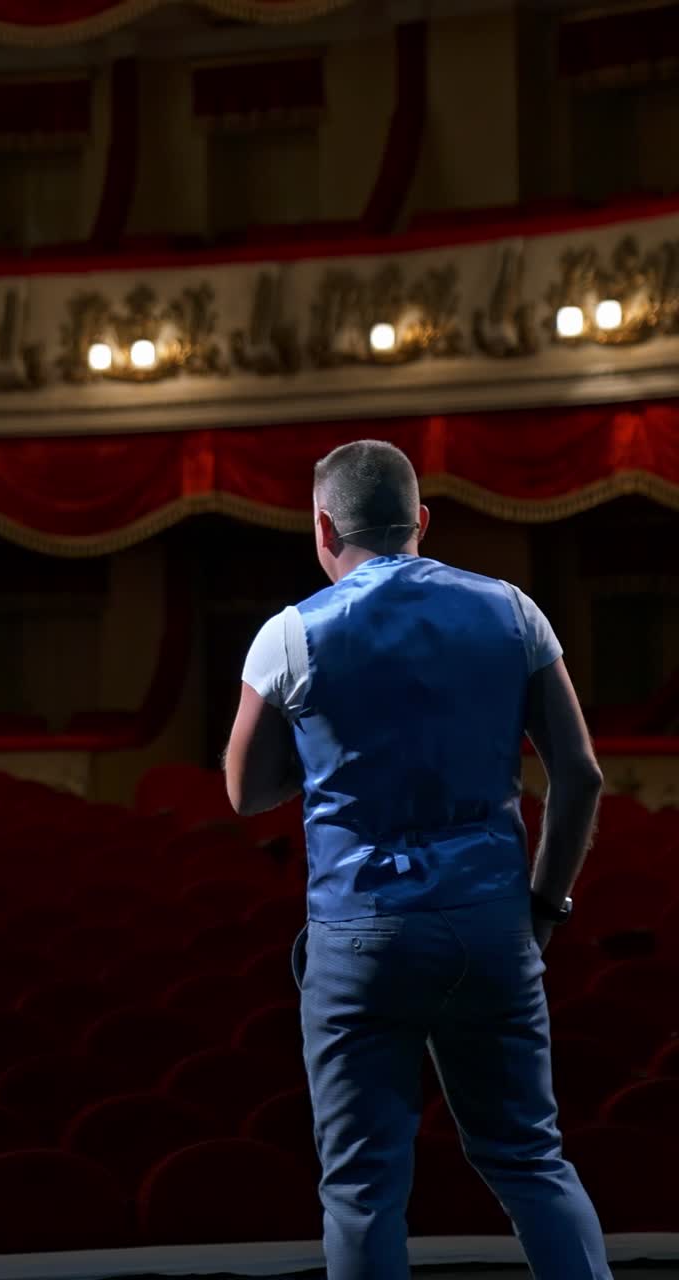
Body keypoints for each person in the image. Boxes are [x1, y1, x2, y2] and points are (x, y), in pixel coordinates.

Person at [222, 439, 610, 1280]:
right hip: (491, 926)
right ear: (421, 522)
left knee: (363, 1189)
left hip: (359, 934)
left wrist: (329, 749)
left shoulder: (289, 634)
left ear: (323, 526)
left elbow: (244, 791)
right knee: (532, 1161)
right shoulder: (514, 612)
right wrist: (544, 907)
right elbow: (579, 775)